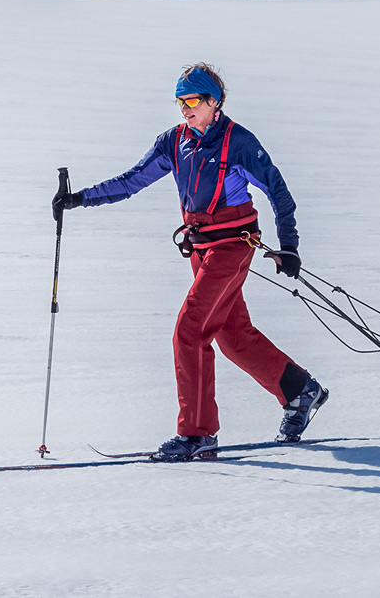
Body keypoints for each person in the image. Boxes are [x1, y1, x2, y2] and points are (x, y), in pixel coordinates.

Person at [52, 63, 328, 461]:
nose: (185, 108)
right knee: (232, 335)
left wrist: (289, 245)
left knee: (190, 330)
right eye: (180, 101)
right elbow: (133, 180)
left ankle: (197, 434)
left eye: (193, 100)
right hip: (201, 250)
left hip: (232, 247)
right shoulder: (174, 142)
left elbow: (278, 192)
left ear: (215, 102)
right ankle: (300, 390)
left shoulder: (239, 142)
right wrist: (79, 198)